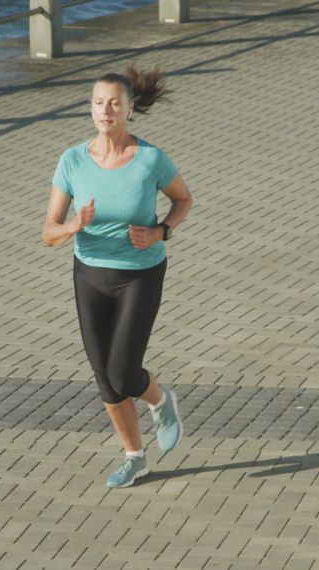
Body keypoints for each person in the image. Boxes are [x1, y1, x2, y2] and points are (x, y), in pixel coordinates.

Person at [41, 64, 194, 488]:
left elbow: (183, 199)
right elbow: (48, 232)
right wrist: (72, 226)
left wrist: (161, 231)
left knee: (124, 373)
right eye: (97, 103)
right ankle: (135, 457)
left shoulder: (150, 159)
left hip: (139, 275)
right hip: (90, 274)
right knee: (106, 379)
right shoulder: (71, 160)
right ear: (90, 109)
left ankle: (161, 401)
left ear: (130, 110)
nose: (105, 110)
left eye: (114, 104)